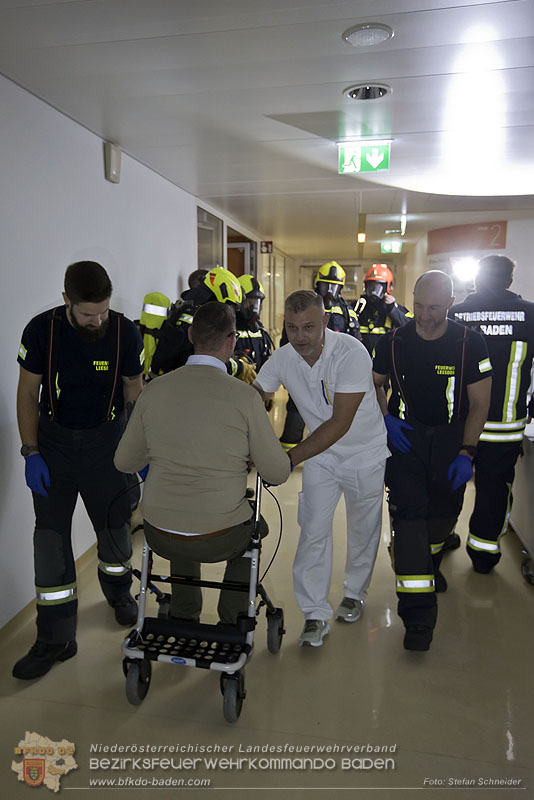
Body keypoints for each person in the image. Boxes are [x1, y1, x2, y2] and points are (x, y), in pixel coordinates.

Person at [114, 302, 290, 624]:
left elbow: (125, 462)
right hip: (219, 535)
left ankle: (183, 613)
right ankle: (232, 618)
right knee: (255, 529)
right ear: (232, 340)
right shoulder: (245, 397)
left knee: (182, 528)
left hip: (160, 532)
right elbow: (277, 472)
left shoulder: (153, 391)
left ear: (191, 334)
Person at [13, 261, 145, 680]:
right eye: (89, 314)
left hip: (108, 442)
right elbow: (27, 391)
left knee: (115, 528)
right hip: (54, 446)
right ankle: (55, 638)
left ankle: (120, 594)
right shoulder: (42, 331)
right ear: (66, 299)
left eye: (103, 311)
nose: (98, 320)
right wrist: (31, 451)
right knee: (50, 541)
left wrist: (140, 449)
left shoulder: (125, 331)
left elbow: (133, 390)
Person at [254, 290, 388, 647]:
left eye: (309, 327)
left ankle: (354, 593)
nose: (300, 336)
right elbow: (255, 399)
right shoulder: (283, 358)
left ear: (325, 323)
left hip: (364, 453)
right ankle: (314, 613)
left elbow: (340, 423)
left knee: (364, 529)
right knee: (313, 530)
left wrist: (287, 459)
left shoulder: (351, 353)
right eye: (293, 327)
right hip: (323, 459)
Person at [372, 270, 492, 652]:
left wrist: (466, 452)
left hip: (450, 443)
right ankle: (418, 617)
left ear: (451, 305)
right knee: (409, 518)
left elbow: (480, 403)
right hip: (405, 442)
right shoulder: (394, 341)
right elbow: (376, 382)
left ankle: (429, 557)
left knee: (440, 519)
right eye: (419, 305)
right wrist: (385, 419)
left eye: (434, 308)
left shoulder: (470, 343)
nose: (423, 315)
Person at [449, 254, 534, 573]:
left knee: (450, 483)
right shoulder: (530, 314)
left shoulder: (457, 313)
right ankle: (483, 554)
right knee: (495, 487)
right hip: (506, 424)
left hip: (461, 422)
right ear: (510, 281)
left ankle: (440, 539)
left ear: (476, 279)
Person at [279, 261, 360, 452]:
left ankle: (331, 450)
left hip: (335, 372)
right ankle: (287, 453)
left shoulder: (348, 312)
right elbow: (287, 339)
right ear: (317, 285)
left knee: (334, 412)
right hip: (303, 367)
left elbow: (354, 344)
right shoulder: (301, 306)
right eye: (325, 285)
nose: (329, 290)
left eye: (334, 286)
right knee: (297, 408)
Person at [150, 267, 255, 383]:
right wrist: (239, 367)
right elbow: (206, 359)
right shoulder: (195, 321)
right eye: (228, 307)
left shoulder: (188, 313)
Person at [356, 264, 412, 356]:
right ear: (366, 287)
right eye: (371, 286)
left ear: (388, 287)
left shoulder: (396, 309)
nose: (374, 291)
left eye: (378, 287)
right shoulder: (359, 307)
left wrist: (392, 310)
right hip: (361, 358)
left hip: (386, 359)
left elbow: (411, 327)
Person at [236, 275, 275, 371]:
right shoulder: (229, 331)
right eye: (250, 303)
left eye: (257, 303)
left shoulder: (261, 332)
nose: (254, 308)